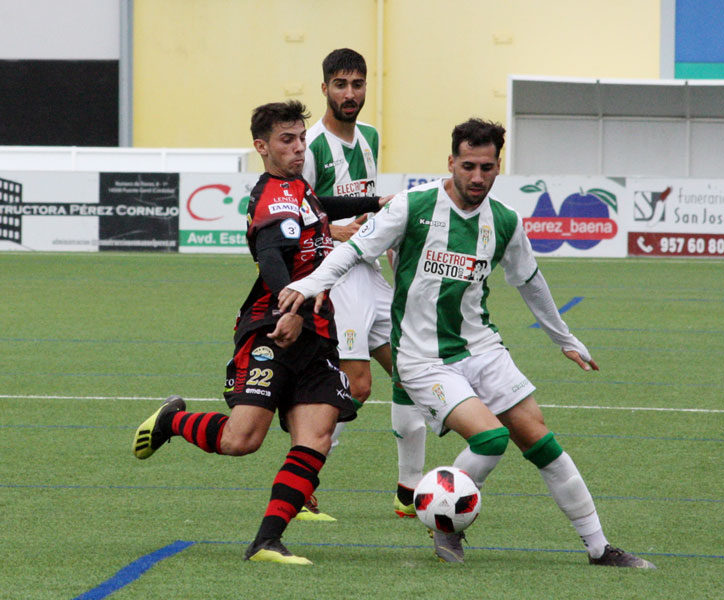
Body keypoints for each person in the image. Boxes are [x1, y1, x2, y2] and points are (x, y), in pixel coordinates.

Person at [278, 118, 657, 568]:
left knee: (542, 442)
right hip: (423, 359)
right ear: (451, 162)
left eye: (487, 167)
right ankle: (442, 520)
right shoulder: (412, 206)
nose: (477, 177)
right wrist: (307, 286)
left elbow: (530, 282)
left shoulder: (505, 221)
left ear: (498, 166)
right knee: (491, 439)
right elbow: (353, 250)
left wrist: (564, 338)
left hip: (482, 349)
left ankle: (599, 548)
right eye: (468, 166)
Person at [132, 100, 385, 565]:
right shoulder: (273, 194)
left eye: (301, 139)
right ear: (261, 147)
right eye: (286, 140)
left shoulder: (299, 189)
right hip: (272, 327)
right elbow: (270, 254)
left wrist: (376, 202)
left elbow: (321, 206)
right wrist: (288, 308)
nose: (297, 147)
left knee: (317, 435)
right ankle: (173, 421)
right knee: (241, 440)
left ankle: (267, 540)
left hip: (316, 331)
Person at [302, 47, 427, 521]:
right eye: (340, 84)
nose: (349, 93)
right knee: (356, 386)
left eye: (357, 84)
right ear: (325, 88)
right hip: (337, 275)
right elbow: (292, 210)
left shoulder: (370, 137)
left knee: (413, 368)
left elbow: (369, 210)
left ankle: (407, 491)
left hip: (369, 271)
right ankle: (299, 485)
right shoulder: (310, 146)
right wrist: (334, 231)